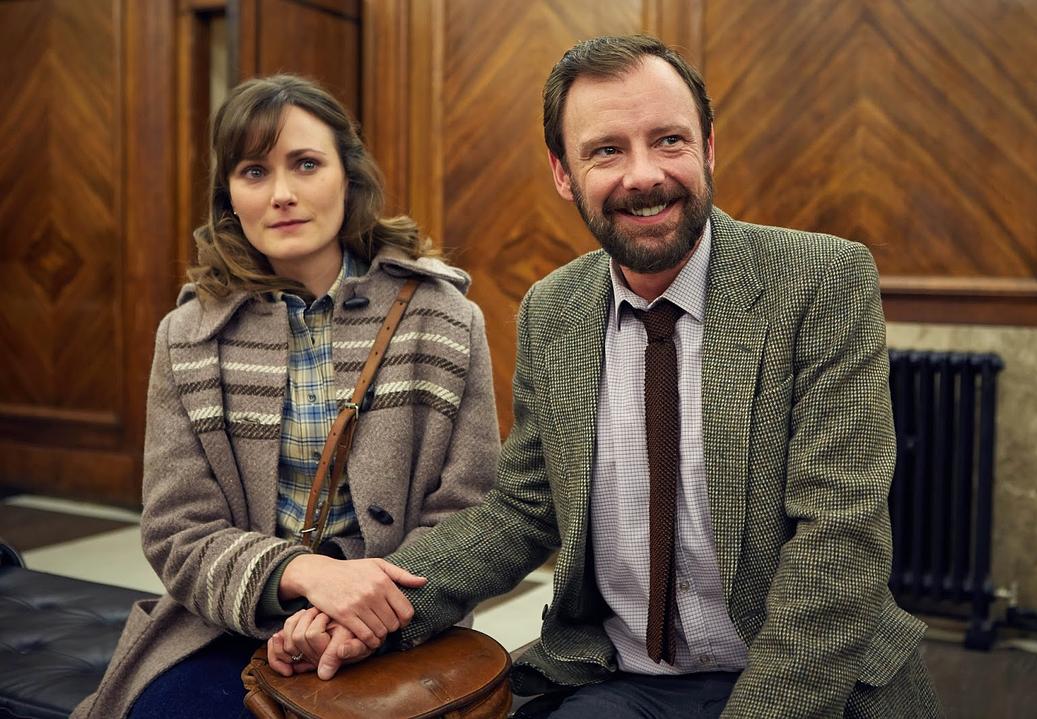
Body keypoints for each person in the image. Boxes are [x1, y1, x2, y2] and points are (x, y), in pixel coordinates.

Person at [282, 35, 945, 718]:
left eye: (669, 140)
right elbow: (522, 509)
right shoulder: (553, 309)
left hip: (799, 678)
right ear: (563, 173)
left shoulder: (822, 281)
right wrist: (377, 613)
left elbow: (838, 543)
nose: (643, 175)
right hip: (624, 678)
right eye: (606, 151)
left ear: (708, 149)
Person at [71, 74, 500, 718]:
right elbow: (177, 532)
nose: (282, 194)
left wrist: (357, 615)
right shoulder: (190, 336)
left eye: (306, 164)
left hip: (401, 624)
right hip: (230, 622)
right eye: (254, 171)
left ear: (348, 177)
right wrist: (305, 575)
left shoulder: (443, 318)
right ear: (229, 198)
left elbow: (471, 512)